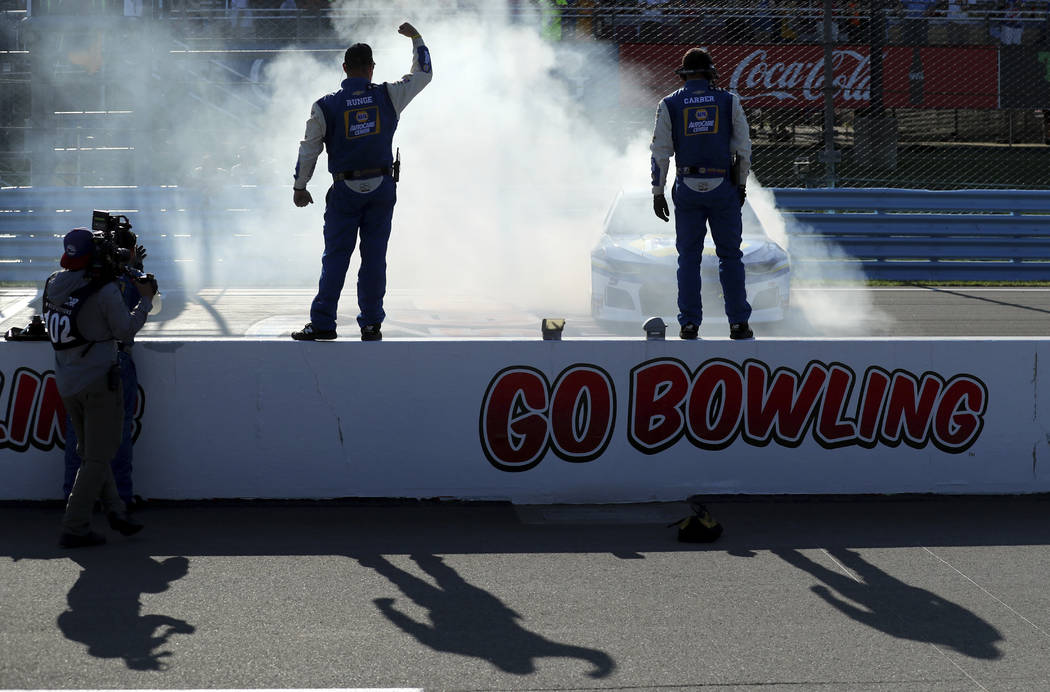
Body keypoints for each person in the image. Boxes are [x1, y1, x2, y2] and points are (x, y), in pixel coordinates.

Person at [291, 21, 433, 342]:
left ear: (344, 68)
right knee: (374, 258)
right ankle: (371, 324)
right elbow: (424, 73)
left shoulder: (325, 105)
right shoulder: (388, 94)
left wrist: (300, 186)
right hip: (382, 188)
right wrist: (416, 38)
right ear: (371, 68)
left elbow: (308, 147)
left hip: (344, 190)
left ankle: (324, 323)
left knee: (336, 257)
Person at [43, 228, 156, 548]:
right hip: (98, 381)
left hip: (67, 380)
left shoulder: (53, 282)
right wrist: (145, 301)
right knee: (98, 455)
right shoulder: (105, 291)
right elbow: (125, 332)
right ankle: (75, 525)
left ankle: (116, 512)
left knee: (90, 450)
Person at [649, 47, 753, 341]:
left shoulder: (669, 103)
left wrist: (657, 191)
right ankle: (738, 324)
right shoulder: (728, 100)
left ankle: (689, 324)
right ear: (710, 73)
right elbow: (743, 148)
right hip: (722, 185)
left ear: (683, 74)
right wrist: (741, 183)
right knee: (730, 256)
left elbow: (660, 153)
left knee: (688, 259)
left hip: (687, 184)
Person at [61, 234, 148, 511]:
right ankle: (119, 497)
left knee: (78, 439)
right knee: (116, 436)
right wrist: (134, 271)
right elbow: (128, 322)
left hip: (70, 366)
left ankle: (73, 497)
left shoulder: (58, 282)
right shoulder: (115, 283)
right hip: (107, 363)